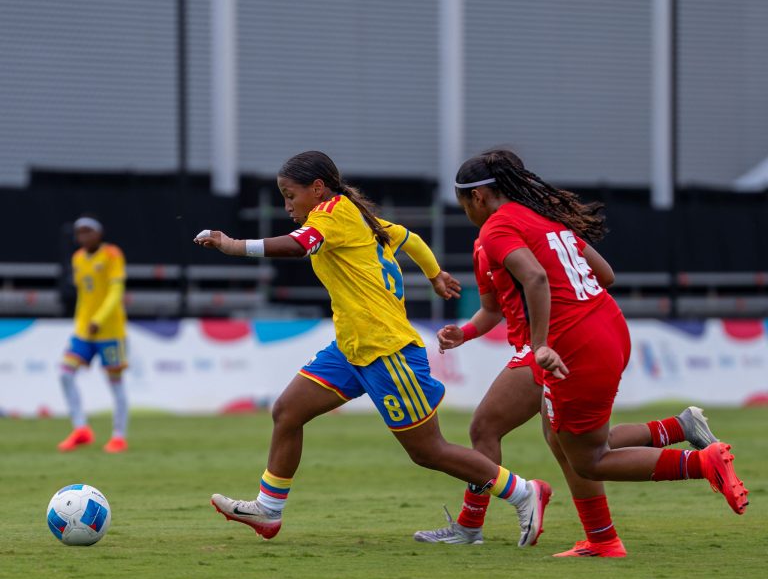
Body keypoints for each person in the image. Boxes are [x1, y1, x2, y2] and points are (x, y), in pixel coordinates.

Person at [194, 150, 551, 545]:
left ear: (317, 189)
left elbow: (299, 246)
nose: (287, 205)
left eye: (290, 195)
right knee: (288, 411)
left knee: (428, 451)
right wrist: (434, 274)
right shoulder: (356, 216)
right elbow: (410, 239)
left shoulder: (331, 213)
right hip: (351, 348)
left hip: (386, 349)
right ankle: (269, 509)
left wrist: (233, 245)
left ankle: (523, 492)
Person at [450, 147, 748, 557]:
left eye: (463, 203)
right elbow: (605, 275)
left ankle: (702, 464)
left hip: (572, 343)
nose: (466, 211)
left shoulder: (497, 228)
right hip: (608, 325)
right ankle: (603, 538)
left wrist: (541, 344)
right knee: (567, 440)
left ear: (478, 196)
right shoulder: (542, 218)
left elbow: (535, 278)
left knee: (590, 458)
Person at [414, 232, 720, 551]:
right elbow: (492, 310)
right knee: (578, 444)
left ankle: (471, 524)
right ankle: (678, 429)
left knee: (485, 428)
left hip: (548, 347)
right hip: (551, 344)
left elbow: (595, 277)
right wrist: (464, 333)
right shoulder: (488, 243)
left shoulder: (522, 231)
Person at [58, 216, 129, 453]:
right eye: (80, 232)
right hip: (84, 332)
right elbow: (83, 296)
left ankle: (118, 436)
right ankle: (81, 429)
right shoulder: (78, 258)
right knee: (65, 374)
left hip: (110, 331)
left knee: (115, 383)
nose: (84, 236)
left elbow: (115, 292)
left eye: (88, 231)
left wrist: (98, 319)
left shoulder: (112, 255)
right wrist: (81, 324)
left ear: (99, 233)